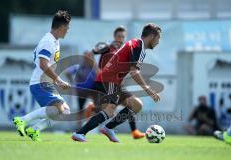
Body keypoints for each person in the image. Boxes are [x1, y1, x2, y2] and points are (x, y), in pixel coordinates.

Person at [72, 23, 161, 142]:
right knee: (109, 111)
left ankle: (108, 127)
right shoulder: (138, 46)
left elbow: (131, 70)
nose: (158, 41)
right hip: (109, 80)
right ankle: (80, 133)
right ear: (151, 36)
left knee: (136, 104)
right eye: (158, 38)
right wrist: (148, 90)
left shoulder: (136, 45)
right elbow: (134, 72)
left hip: (114, 81)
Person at [13, 10, 71, 141]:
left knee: (65, 111)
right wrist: (59, 80)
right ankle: (22, 120)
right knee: (59, 109)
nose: (68, 30)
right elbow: (43, 64)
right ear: (62, 27)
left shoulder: (55, 41)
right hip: (40, 83)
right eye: (67, 28)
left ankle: (34, 130)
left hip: (46, 83)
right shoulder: (48, 41)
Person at [91, 26, 145, 139]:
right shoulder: (107, 46)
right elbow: (89, 53)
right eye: (119, 36)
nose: (120, 39)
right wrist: (97, 70)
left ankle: (134, 131)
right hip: (105, 82)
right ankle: (93, 110)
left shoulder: (124, 49)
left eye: (123, 37)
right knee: (110, 111)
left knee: (131, 104)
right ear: (114, 36)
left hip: (116, 83)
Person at [65, 51, 98, 129]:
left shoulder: (94, 67)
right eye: (86, 57)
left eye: (89, 57)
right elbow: (68, 72)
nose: (87, 59)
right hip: (81, 90)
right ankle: (78, 127)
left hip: (93, 90)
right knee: (80, 109)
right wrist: (72, 82)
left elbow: (99, 74)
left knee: (96, 107)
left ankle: (92, 124)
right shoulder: (79, 66)